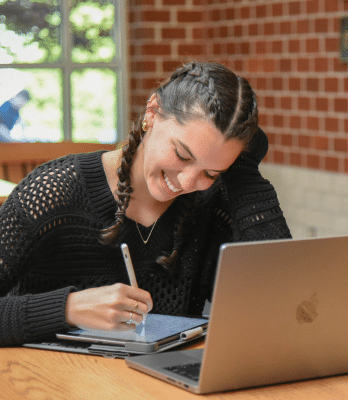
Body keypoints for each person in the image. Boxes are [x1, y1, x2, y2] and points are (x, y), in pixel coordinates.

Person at [0, 61, 291, 347]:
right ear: (152, 113)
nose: (188, 183)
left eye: (210, 173)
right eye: (182, 155)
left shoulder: (211, 205)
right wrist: (67, 308)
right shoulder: (52, 191)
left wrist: (243, 169)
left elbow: (281, 307)